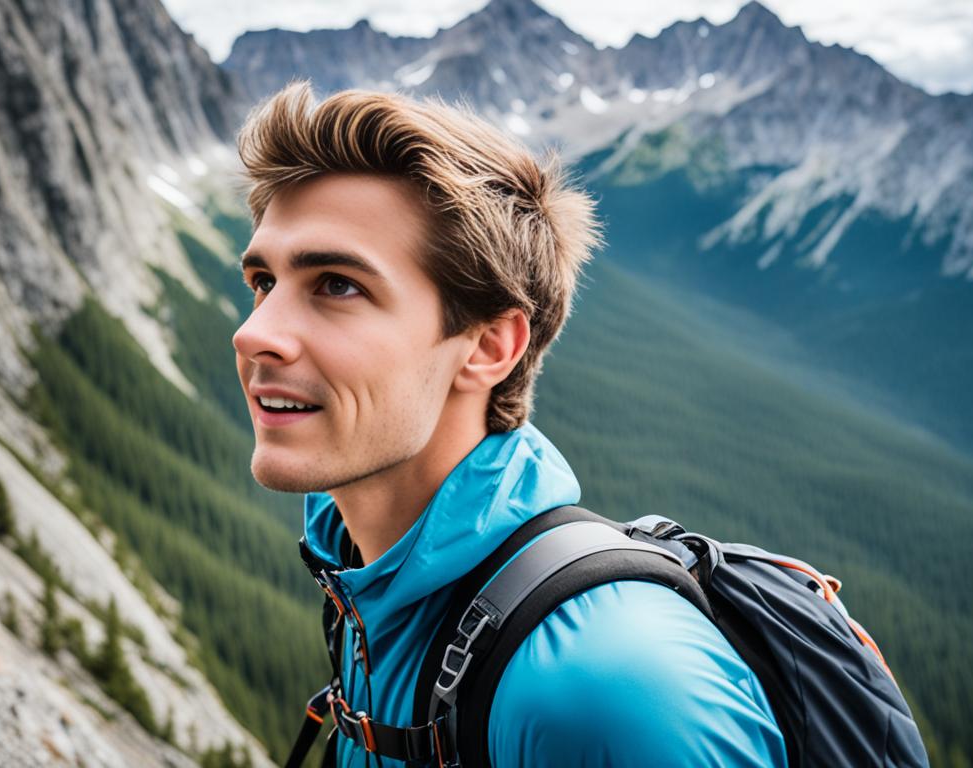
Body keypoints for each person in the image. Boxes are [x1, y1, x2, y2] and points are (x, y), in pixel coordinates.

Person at [231, 80, 788, 767]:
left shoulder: (608, 691)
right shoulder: (367, 582)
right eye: (263, 282)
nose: (255, 334)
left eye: (337, 285)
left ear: (490, 346)